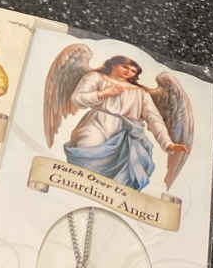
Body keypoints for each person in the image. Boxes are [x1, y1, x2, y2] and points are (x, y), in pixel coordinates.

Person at [63, 56, 188, 191]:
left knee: (123, 173)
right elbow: (77, 98)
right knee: (87, 151)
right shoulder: (96, 77)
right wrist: (103, 94)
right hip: (96, 123)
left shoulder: (140, 93)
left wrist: (167, 143)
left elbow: (154, 118)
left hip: (126, 133)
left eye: (133, 71)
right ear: (113, 64)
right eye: (125, 67)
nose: (128, 72)